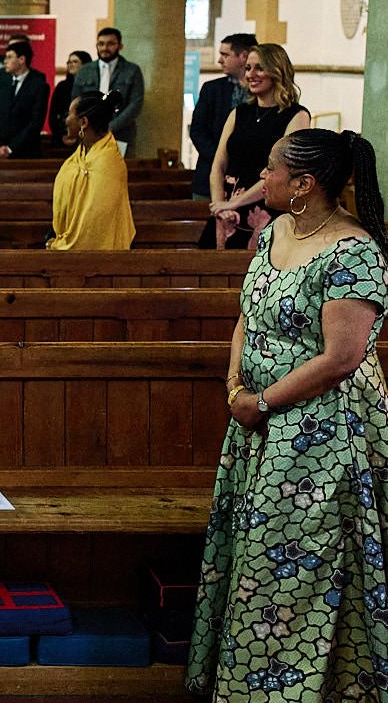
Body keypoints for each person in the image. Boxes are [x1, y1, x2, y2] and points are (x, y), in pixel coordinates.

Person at [187, 128, 388, 700]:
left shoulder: (354, 252)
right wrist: (235, 390)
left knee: (294, 564)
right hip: (258, 420)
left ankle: (294, 688)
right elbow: (246, 316)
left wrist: (266, 401)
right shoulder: (275, 230)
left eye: (271, 170)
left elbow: (341, 358)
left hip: (320, 432)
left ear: (305, 184)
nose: (261, 179)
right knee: (252, 554)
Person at [201, 43, 311, 250]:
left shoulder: (297, 115)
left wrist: (236, 203)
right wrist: (220, 207)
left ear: (277, 71)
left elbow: (284, 171)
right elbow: (218, 165)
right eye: (249, 68)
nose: (251, 74)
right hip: (228, 209)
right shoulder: (239, 113)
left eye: (259, 68)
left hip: (267, 209)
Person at [47, 91, 136, 250]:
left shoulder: (108, 163)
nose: (66, 120)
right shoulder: (81, 154)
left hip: (100, 260)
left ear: (84, 122)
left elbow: (94, 226)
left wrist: (61, 246)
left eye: (69, 114)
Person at [189, 33, 258, 198]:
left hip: (249, 179)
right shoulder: (212, 89)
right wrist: (221, 160)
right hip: (210, 173)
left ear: (243, 57)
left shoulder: (260, 92)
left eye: (225, 55)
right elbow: (198, 130)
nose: (220, 60)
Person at [71, 27, 144, 152]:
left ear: (120, 46)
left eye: (110, 44)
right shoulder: (84, 71)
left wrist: (108, 127)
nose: (105, 48)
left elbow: (135, 104)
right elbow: (76, 101)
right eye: (101, 44)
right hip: (89, 133)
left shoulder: (132, 70)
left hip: (120, 134)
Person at [0, 39, 50, 158]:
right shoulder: (0, 83)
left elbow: (35, 122)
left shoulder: (39, 86)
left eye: (9, 57)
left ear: (22, 60)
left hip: (25, 152)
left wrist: (11, 148)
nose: (5, 61)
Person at [48, 50, 91, 147]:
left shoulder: (91, 86)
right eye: (69, 62)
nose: (70, 64)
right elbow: (53, 115)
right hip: (62, 137)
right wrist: (61, 135)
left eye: (75, 62)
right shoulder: (62, 86)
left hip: (86, 137)